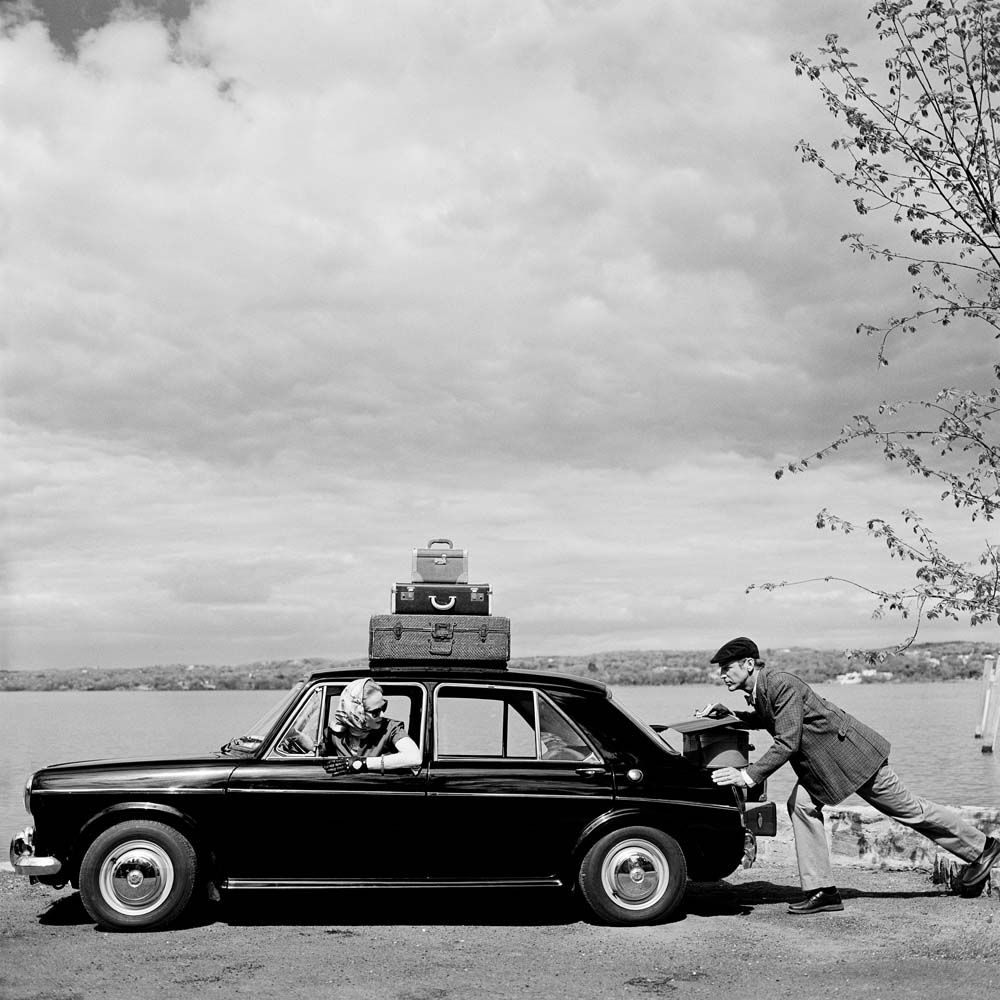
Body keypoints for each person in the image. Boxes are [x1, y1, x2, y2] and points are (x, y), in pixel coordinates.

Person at [698, 636, 1000, 914]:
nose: (723, 674)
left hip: (854, 758)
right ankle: (822, 890)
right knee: (801, 806)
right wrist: (729, 716)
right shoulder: (761, 689)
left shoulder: (780, 684)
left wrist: (748, 776)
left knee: (908, 810)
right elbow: (768, 720)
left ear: (749, 664)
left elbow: (787, 741)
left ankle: (983, 847)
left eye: (727, 668)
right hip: (826, 767)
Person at [322, 677, 422, 775]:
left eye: (384, 707)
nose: (382, 715)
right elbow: (317, 755)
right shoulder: (334, 734)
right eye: (375, 712)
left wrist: (362, 763)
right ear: (356, 713)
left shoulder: (390, 728)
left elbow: (414, 757)